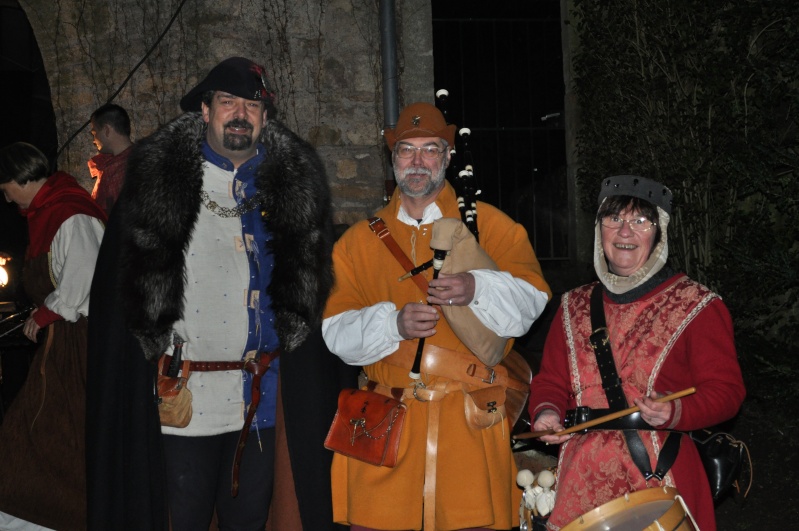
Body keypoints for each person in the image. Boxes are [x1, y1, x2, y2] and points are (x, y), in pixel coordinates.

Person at [86, 57, 354, 531]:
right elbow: (117, 299)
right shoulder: (156, 185)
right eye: (227, 102)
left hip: (261, 400)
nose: (240, 113)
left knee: (249, 520)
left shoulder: (293, 193)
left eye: (252, 105)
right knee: (181, 520)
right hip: (184, 402)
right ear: (205, 112)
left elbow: (314, 302)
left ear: (265, 119)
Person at [322, 102, 552, 531]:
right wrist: (392, 324)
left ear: (447, 157)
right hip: (383, 417)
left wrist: (476, 286)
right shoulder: (355, 242)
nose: (418, 161)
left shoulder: (490, 225)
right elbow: (334, 333)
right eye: (407, 151)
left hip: (467, 416)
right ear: (393, 160)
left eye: (430, 150)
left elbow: (532, 302)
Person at [528, 175, 746, 530]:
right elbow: (551, 380)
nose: (625, 232)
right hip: (580, 480)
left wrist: (677, 411)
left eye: (640, 221)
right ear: (600, 231)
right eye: (613, 219)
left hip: (659, 477)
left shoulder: (697, 305)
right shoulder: (572, 305)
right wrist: (548, 413)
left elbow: (727, 392)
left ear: (658, 232)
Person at [0, 142, 106, 530]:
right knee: (40, 427)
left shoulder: (70, 212)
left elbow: (85, 277)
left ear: (19, 178)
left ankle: (61, 514)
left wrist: (46, 313)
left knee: (61, 430)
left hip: (82, 343)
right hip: (64, 342)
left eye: (5, 186)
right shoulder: (49, 211)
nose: (5, 195)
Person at [87, 103, 134, 215]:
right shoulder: (108, 165)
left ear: (107, 130)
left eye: (95, 133)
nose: (94, 139)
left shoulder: (127, 167)